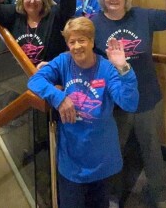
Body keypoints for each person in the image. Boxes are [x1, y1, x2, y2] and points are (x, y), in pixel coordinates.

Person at [28, 17, 139, 208]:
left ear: (92, 42)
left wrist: (123, 68)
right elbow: (35, 81)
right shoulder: (63, 62)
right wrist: (59, 98)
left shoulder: (106, 68)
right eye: (72, 42)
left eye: (82, 40)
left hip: (101, 160)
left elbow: (129, 103)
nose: (77, 46)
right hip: (72, 161)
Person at [92, 0, 166, 208]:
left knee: (151, 149)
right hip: (114, 100)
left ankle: (159, 196)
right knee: (114, 151)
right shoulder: (94, 22)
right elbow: (76, 48)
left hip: (147, 97)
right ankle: (112, 197)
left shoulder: (141, 16)